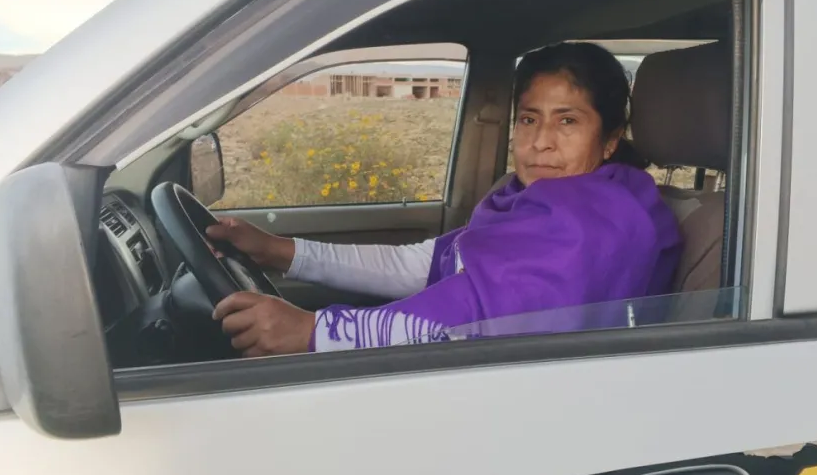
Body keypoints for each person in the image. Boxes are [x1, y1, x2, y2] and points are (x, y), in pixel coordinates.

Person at [208, 41, 683, 356]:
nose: (540, 142)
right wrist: (280, 251)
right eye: (528, 119)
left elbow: (474, 314)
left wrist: (316, 332)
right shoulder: (530, 202)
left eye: (567, 121)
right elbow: (424, 263)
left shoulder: (599, 221)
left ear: (610, 139)